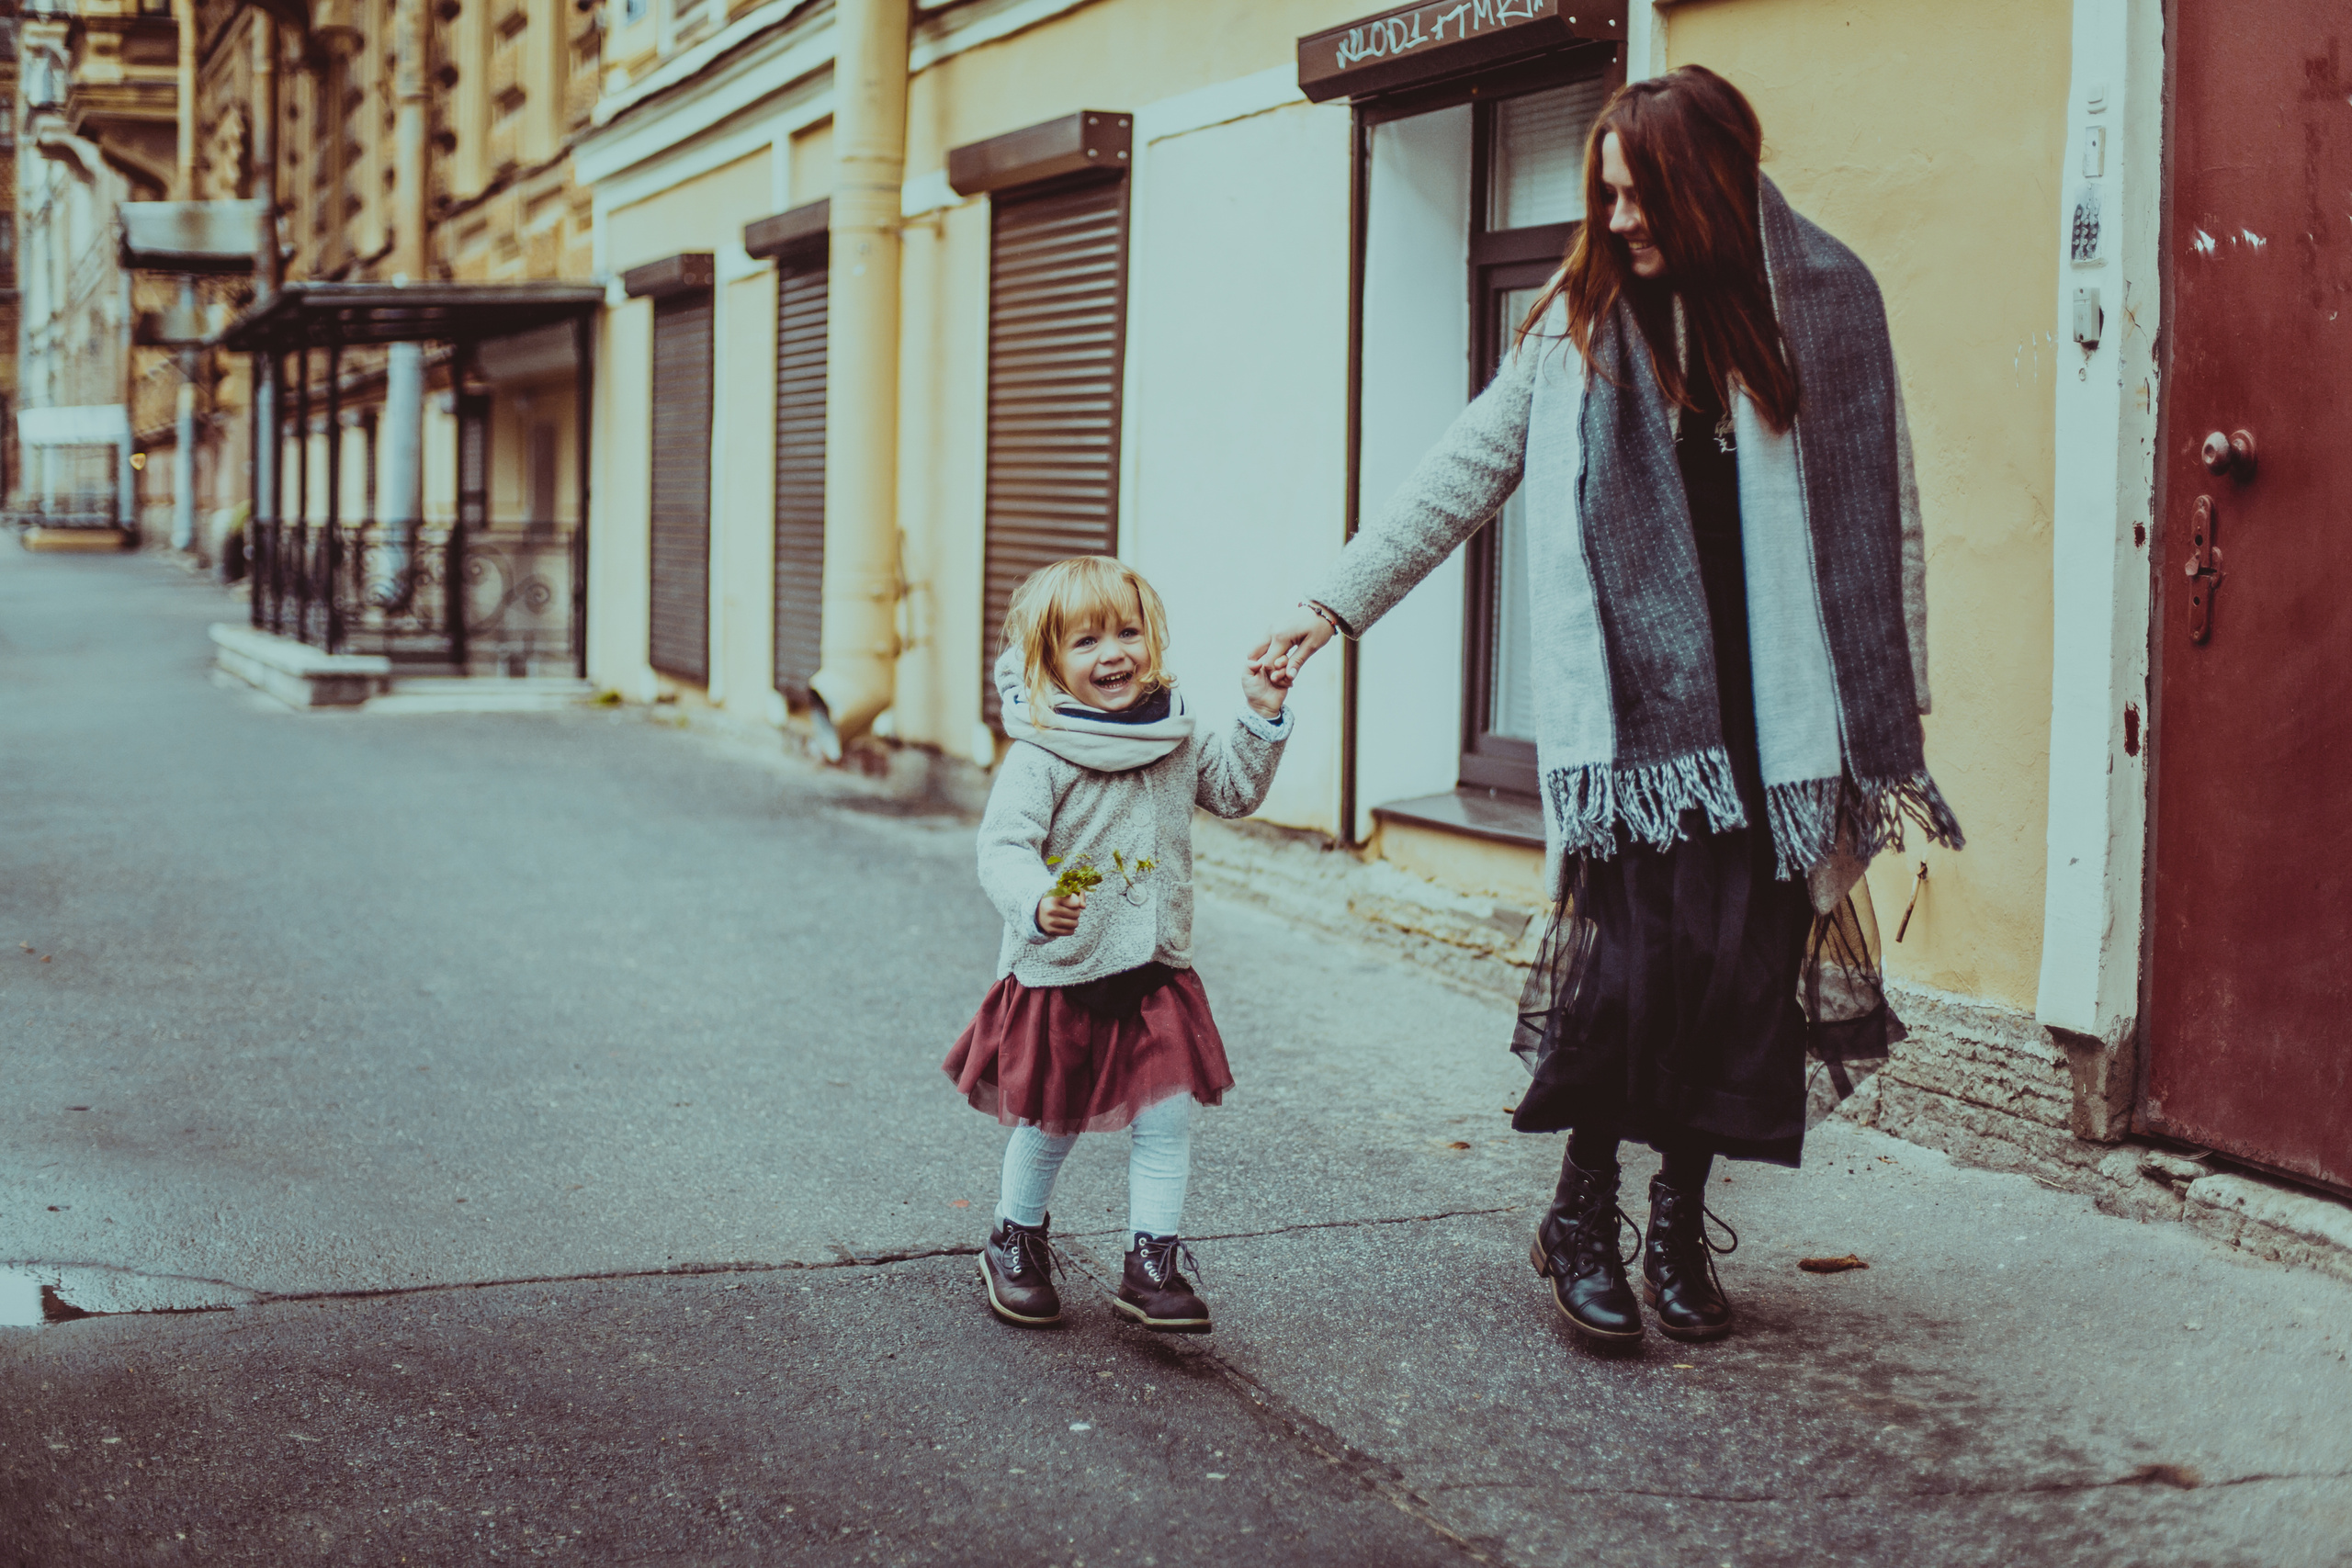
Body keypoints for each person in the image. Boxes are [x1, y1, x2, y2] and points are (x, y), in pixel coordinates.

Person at [1253, 66, 1961, 1346]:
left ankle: (1680, 1222)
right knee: (1638, 974)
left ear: (1711, 186)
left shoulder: (1830, 308)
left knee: (1744, 984)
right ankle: (1582, 1206)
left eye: (1641, 196)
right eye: (1608, 195)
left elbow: (1885, 517)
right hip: (1646, 736)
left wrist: (1889, 711)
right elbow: (1459, 472)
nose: (1621, 220)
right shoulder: (1578, 327)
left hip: (1776, 731)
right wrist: (1332, 604)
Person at [947, 555, 1293, 1333]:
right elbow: (1002, 846)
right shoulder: (1041, 750)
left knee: (1166, 1122)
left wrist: (1262, 717)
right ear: (1047, 663)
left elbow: (1232, 789)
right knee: (1051, 1120)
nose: (1113, 653)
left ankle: (1153, 1264)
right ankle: (1015, 1237)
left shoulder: (1171, 732)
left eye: (1129, 632)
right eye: (1086, 640)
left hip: (1153, 972)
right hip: (1065, 972)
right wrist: (1036, 899)